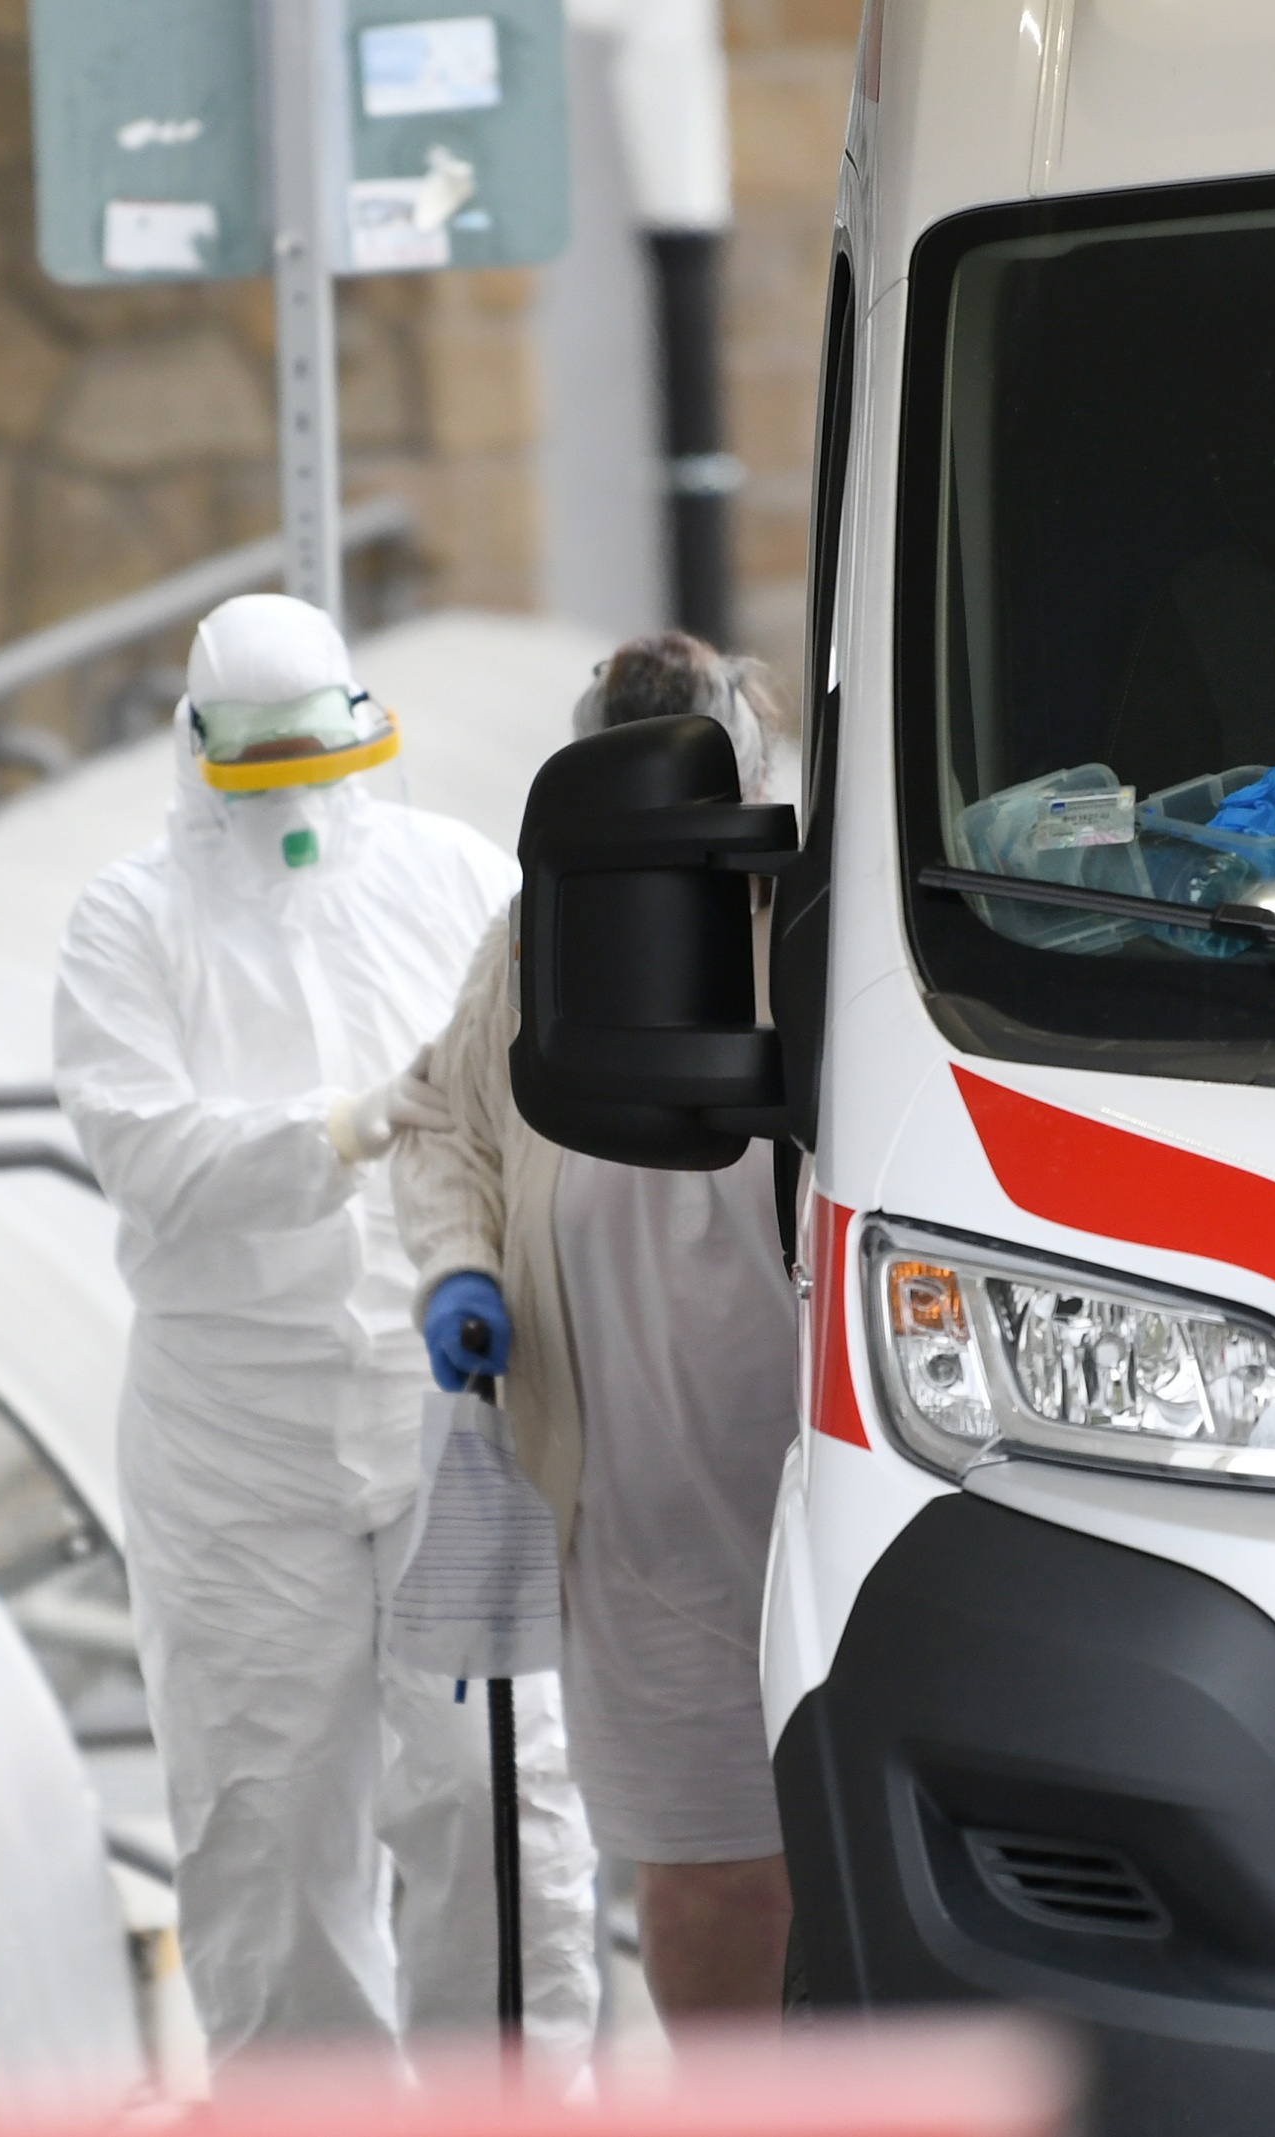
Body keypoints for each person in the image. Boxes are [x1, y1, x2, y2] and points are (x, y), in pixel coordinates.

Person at [51, 594, 598, 2071]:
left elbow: (533, 1093)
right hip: (238, 1446)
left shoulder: (454, 880)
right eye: (261, 770)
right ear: (198, 754)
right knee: (268, 1823)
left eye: (316, 759)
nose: (296, 800)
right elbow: (148, 1151)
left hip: (450, 1420)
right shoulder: (128, 923)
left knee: (500, 1800)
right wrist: (344, 1127)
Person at [394, 631, 804, 2026]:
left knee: (855, 1856)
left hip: (836, 1480)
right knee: (704, 1876)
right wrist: (461, 1266)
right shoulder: (542, 938)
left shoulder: (811, 925)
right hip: (637, 1508)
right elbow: (446, 1117)